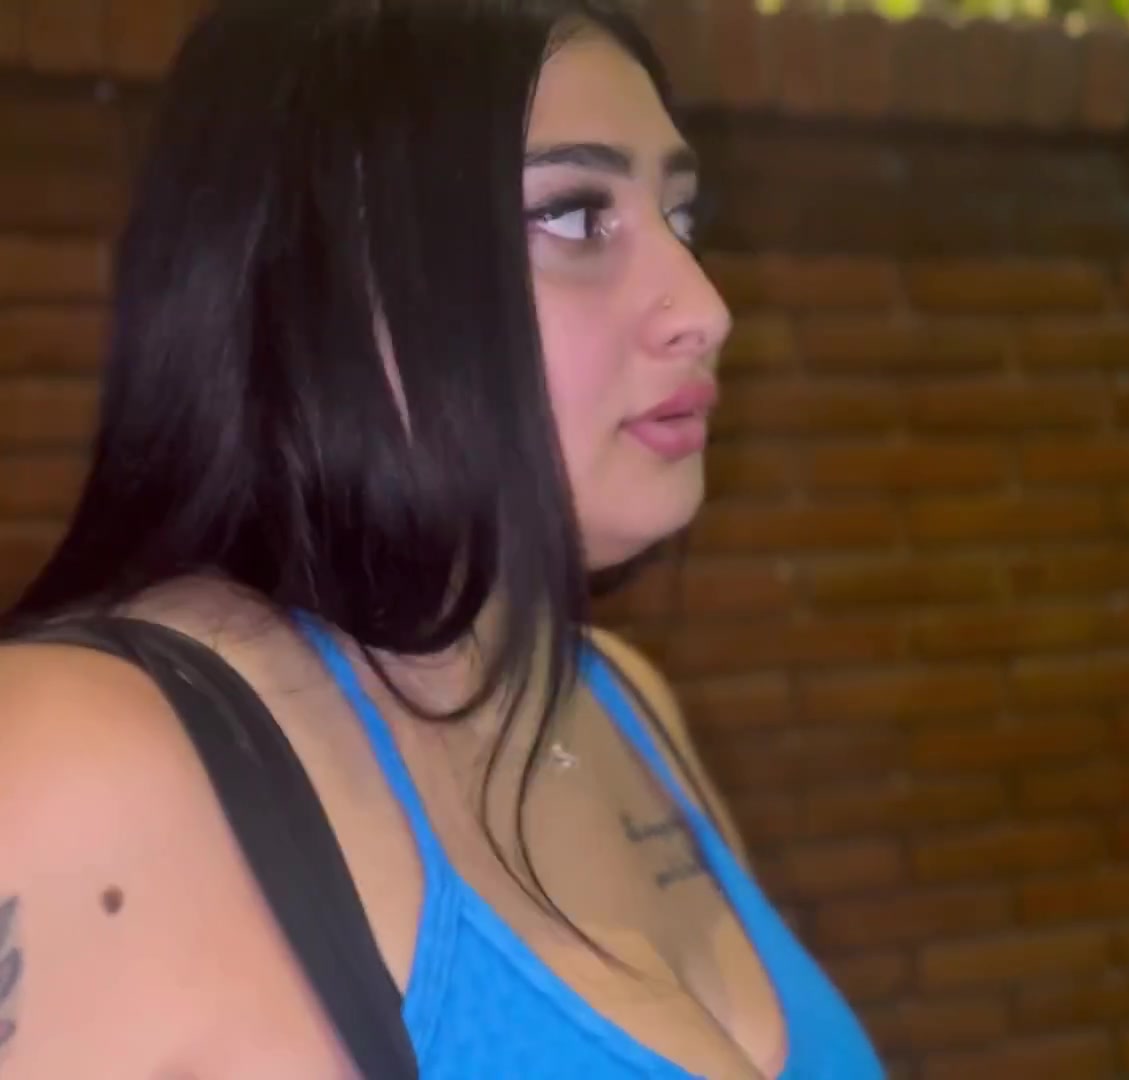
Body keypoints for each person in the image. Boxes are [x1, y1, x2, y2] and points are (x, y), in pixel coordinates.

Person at [0, 0, 884, 1076]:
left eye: (681, 216)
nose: (705, 307)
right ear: (316, 274)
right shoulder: (75, 759)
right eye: (574, 217)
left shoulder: (620, 702)